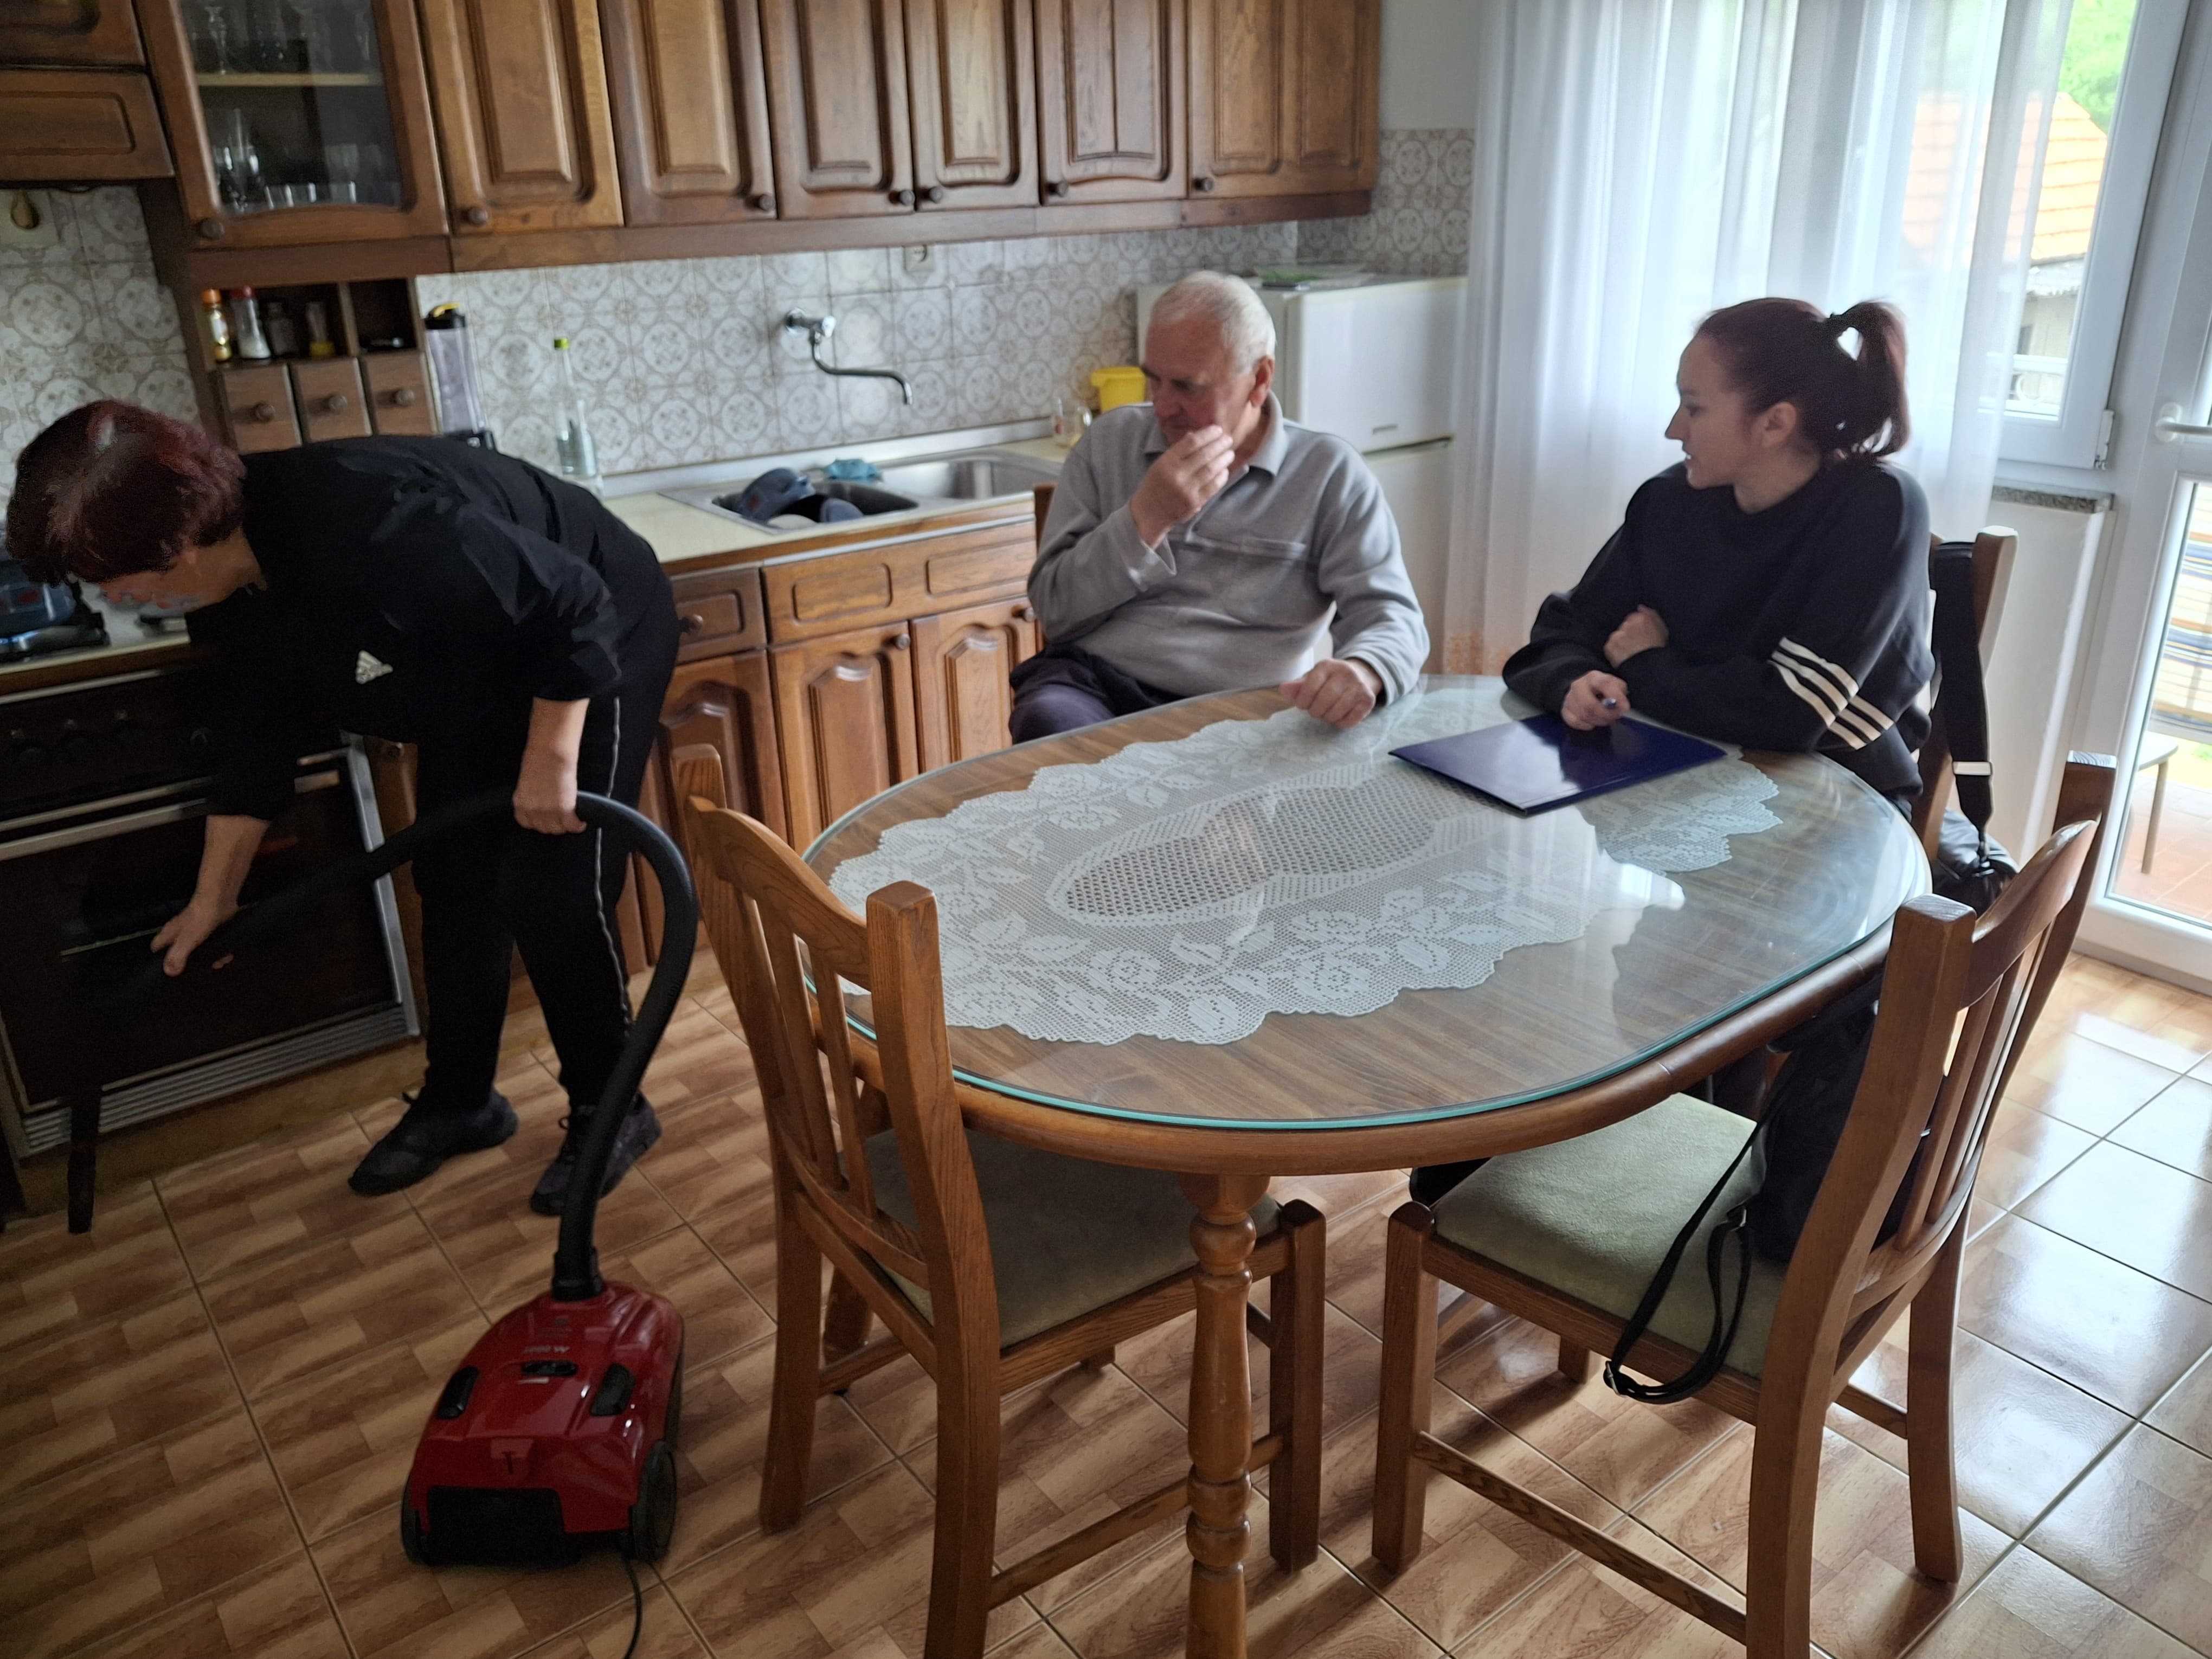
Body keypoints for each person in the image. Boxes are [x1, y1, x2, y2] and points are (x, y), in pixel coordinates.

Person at [6, 404, 679, 1211]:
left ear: (176, 549)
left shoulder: (373, 523)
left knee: (554, 891)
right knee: (454, 884)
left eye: (110, 580)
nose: (111, 596)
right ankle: (461, 1102)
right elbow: (254, 741)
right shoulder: (229, 588)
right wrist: (213, 899)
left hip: (592, 635)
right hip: (481, 663)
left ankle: (613, 1110)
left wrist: (550, 758)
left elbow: (570, 605)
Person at [1502, 297, 1933, 802]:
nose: (1674, 429)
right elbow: (1564, 631)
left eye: (1695, 408)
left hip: (1834, 795)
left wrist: (1644, 664)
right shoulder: (1670, 500)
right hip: (1673, 772)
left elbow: (1789, 715)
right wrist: (1574, 682)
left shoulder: (1877, 507)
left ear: (1775, 423)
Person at [1014, 271, 1429, 737]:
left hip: (1244, 708)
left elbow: (1395, 619)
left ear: (1260, 379)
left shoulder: (1328, 473)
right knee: (1048, 718)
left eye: (1188, 387)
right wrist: (1146, 517)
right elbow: (1055, 611)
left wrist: (1365, 670)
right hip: (1096, 687)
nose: (1163, 407)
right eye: (1154, 381)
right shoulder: (1108, 443)